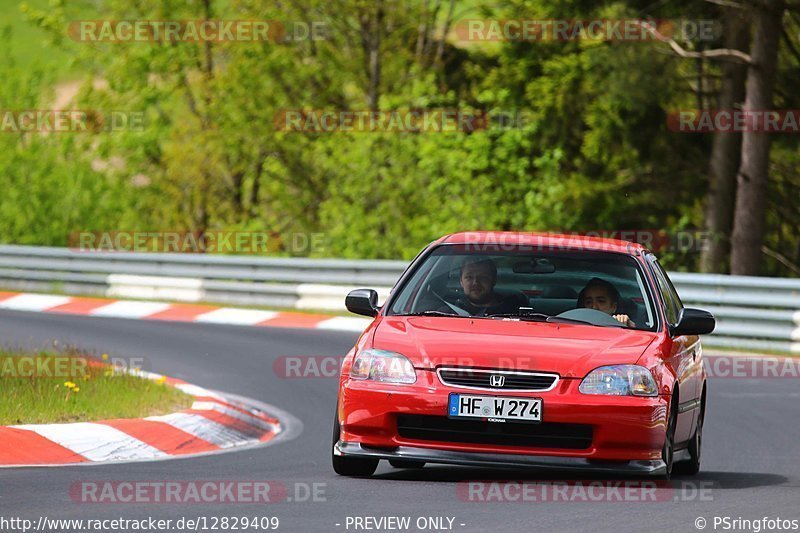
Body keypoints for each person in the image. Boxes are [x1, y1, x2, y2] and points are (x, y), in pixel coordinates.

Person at [444, 258, 521, 316]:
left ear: (493, 280)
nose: (475, 283)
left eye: (483, 277)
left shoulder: (513, 312)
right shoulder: (447, 313)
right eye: (469, 277)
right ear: (461, 281)